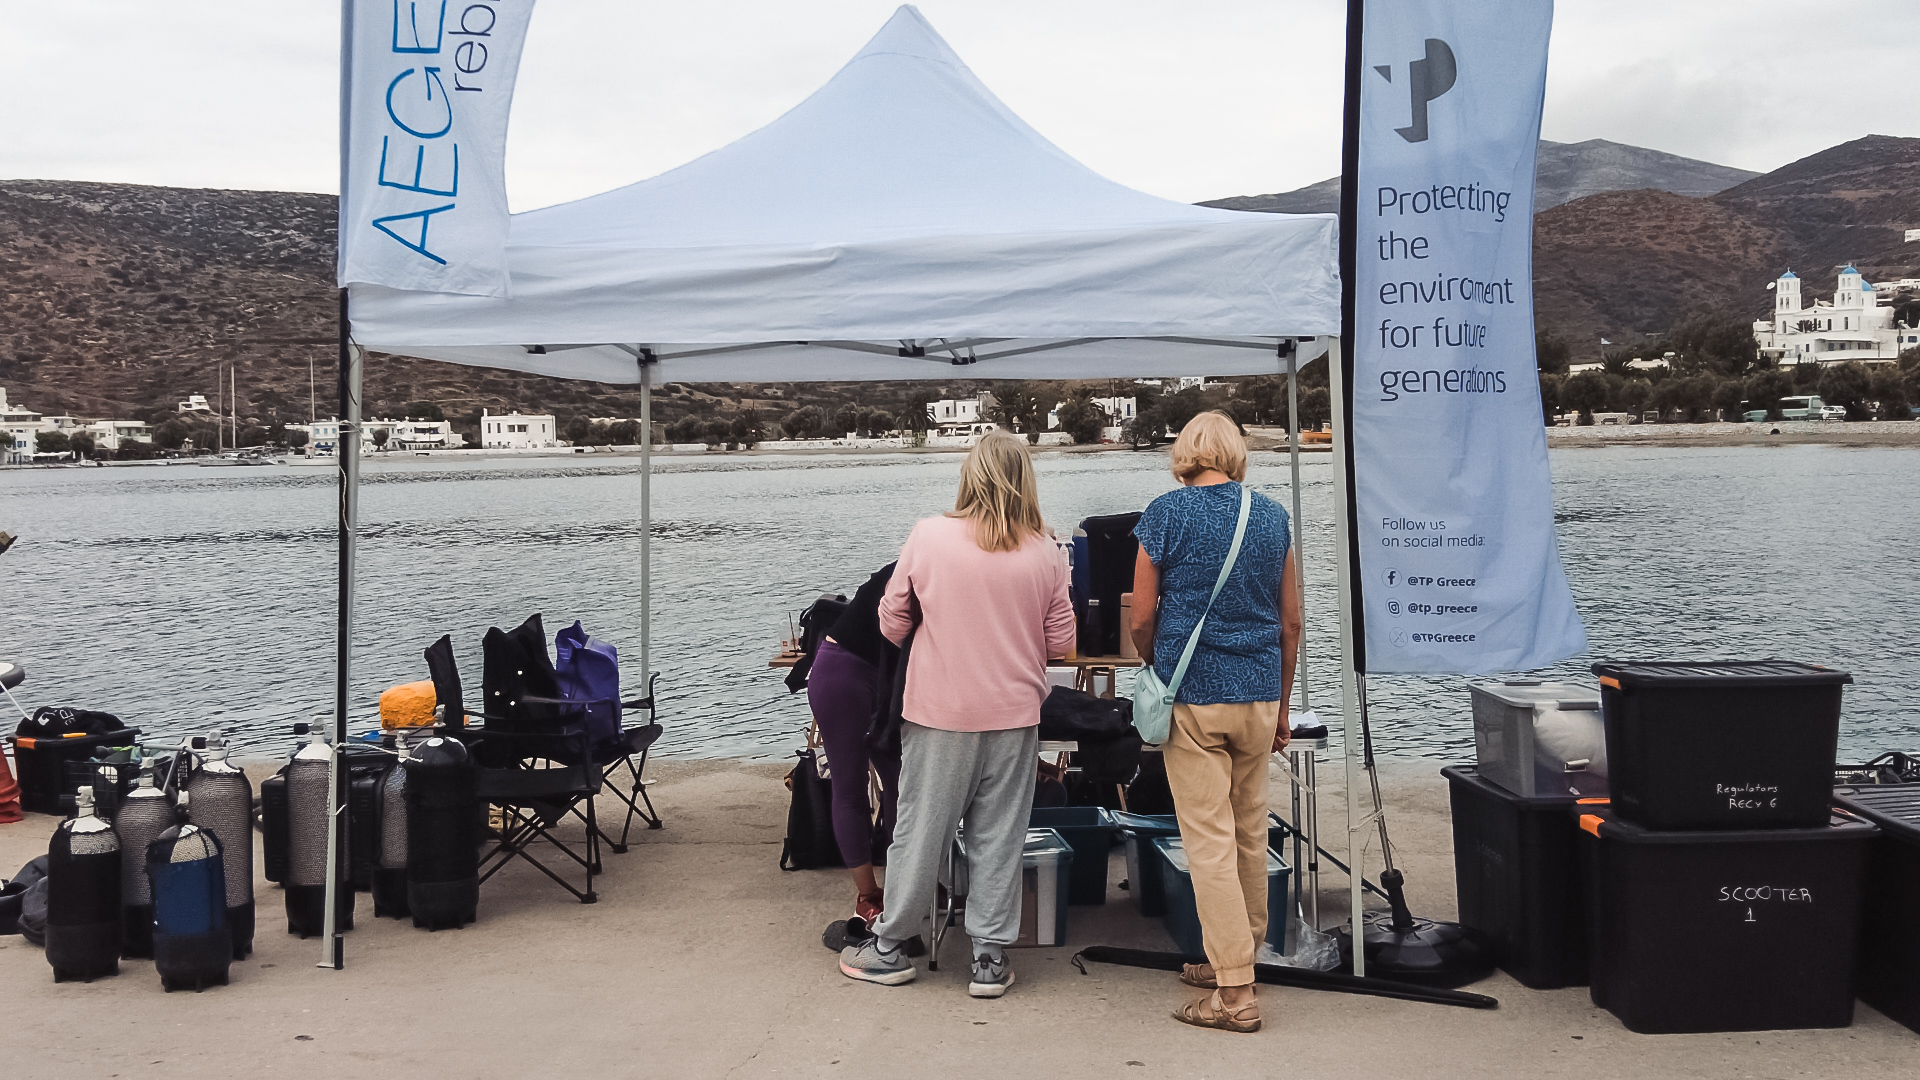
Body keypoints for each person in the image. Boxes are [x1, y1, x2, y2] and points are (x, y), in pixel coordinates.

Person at [838, 430, 1076, 999]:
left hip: (940, 712)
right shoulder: (1048, 549)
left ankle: (890, 946)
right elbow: (1062, 644)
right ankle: (989, 960)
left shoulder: (928, 536)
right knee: (1000, 836)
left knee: (921, 831)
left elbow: (891, 622)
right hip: (1015, 714)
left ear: (970, 475)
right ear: (1026, 479)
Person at [1129, 410, 1302, 1033]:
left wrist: (1156, 665)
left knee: (1207, 841)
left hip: (1194, 700)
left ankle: (1234, 993)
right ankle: (1236, 955)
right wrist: (1282, 705)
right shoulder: (1272, 516)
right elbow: (1291, 624)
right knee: (1249, 833)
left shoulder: (1165, 515)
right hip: (1257, 696)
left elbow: (1142, 618)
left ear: (1184, 454)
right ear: (1234, 452)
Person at [805, 562, 902, 926]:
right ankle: (868, 894)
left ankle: (904, 884)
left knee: (901, 784)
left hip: (888, 675)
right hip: (843, 670)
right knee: (850, 786)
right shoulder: (917, 564)